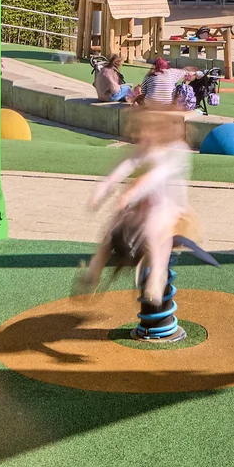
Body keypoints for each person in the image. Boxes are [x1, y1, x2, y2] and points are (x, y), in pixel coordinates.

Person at [76, 107, 206, 320]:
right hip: (144, 207)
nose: (140, 136)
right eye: (138, 132)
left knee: (155, 228)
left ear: (160, 130)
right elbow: (125, 167)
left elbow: (157, 175)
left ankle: (157, 276)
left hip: (173, 211)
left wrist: (133, 192)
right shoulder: (144, 149)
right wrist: (102, 190)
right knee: (111, 229)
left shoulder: (177, 150)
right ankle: (93, 273)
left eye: (145, 131)